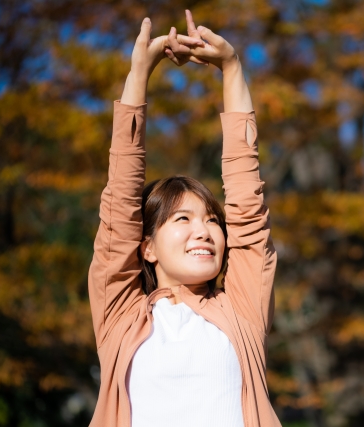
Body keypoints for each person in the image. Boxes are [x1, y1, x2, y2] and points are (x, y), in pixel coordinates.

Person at [87, 10, 279, 427]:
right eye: (182, 219)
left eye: (212, 219)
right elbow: (120, 205)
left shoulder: (241, 309)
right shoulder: (121, 316)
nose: (204, 231)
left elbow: (246, 204)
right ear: (148, 248)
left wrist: (231, 69)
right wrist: (139, 72)